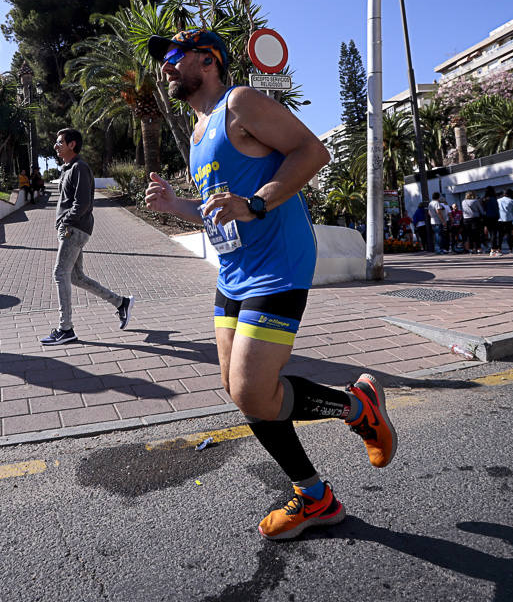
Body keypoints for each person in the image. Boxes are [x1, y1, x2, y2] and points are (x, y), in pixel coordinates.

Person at [143, 28, 395, 541]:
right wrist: (176, 207)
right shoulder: (196, 134)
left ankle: (357, 411)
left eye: (173, 55)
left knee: (253, 388)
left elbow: (311, 151)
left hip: (278, 265)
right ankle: (317, 495)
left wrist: (258, 201)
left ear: (207, 60)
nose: (165, 68)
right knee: (244, 394)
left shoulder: (240, 103)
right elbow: (221, 212)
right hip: (234, 273)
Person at [41, 128, 134, 346]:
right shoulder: (69, 168)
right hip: (70, 228)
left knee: (59, 273)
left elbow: (82, 203)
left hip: (73, 229)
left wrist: (66, 223)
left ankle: (66, 329)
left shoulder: (80, 168)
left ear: (72, 144)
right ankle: (121, 303)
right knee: (75, 276)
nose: (56, 146)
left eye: (60, 142)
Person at [496, 189, 513, 254]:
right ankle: (510, 249)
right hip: (509, 219)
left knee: (500, 235)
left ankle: (499, 249)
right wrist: (512, 217)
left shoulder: (498, 200)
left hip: (500, 219)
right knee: (509, 235)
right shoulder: (512, 201)